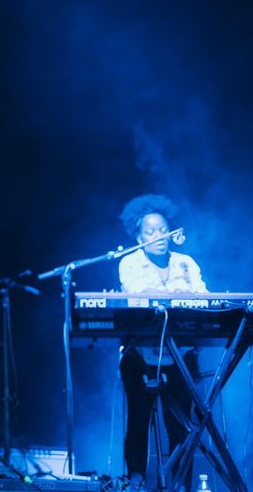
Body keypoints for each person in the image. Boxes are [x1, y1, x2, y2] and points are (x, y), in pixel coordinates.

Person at [117, 194, 204, 490]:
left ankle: (180, 484)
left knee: (180, 425)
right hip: (141, 355)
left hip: (181, 353)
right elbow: (141, 294)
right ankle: (137, 482)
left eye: (163, 229)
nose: (159, 236)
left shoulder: (186, 263)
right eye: (150, 231)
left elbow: (204, 299)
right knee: (138, 422)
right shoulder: (129, 262)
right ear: (138, 236)